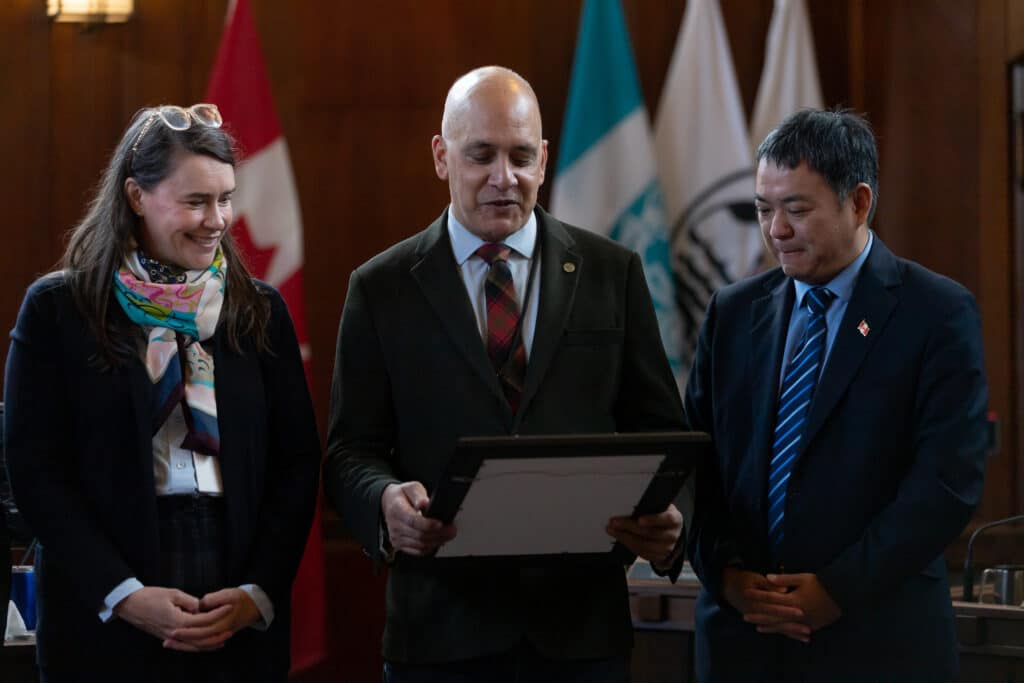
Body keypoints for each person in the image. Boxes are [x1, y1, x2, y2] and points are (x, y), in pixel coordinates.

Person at [324, 66, 687, 682]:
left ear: (544, 159)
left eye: (521, 155)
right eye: (481, 155)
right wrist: (384, 501)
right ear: (442, 157)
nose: (504, 178)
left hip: (581, 635)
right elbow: (348, 451)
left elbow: (661, 434)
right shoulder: (381, 288)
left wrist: (669, 517)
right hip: (439, 634)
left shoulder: (612, 272)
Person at [4, 104, 320, 681]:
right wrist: (122, 594)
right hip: (105, 602)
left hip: (236, 588)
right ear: (134, 196)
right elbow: (35, 472)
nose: (217, 219)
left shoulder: (260, 311)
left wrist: (259, 590)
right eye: (196, 201)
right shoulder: (57, 311)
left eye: (225, 198)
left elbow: (296, 466)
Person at [684, 108, 988, 682]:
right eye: (763, 209)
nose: (775, 229)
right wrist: (723, 574)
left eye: (797, 210)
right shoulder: (733, 312)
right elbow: (692, 461)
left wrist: (838, 590)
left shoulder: (936, 313)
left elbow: (947, 480)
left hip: (876, 639)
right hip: (741, 641)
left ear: (859, 203)